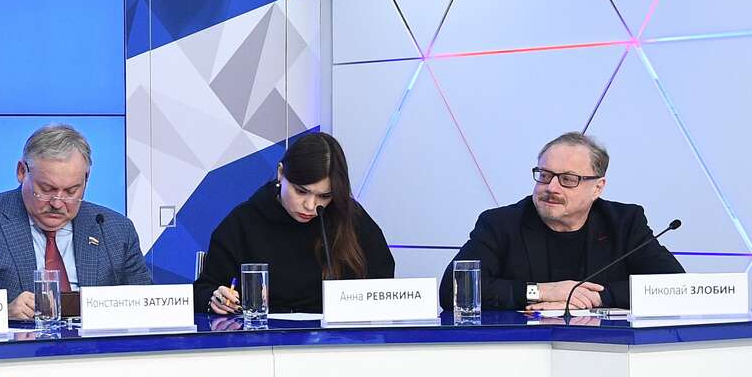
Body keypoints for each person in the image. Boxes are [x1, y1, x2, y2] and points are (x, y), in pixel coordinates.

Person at [0, 123, 148, 318]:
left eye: (71, 191)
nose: (57, 202)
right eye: (46, 189)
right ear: (22, 172)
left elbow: (146, 308)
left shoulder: (115, 230)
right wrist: (2, 313)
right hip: (13, 352)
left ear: (86, 178)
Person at [442, 132, 683, 312]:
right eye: (545, 175)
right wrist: (542, 291)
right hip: (523, 349)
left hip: (605, 350)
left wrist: (597, 298)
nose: (551, 187)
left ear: (598, 187)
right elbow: (453, 291)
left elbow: (674, 286)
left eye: (568, 179)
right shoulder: (500, 223)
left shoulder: (624, 223)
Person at [194, 131, 395, 315]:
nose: (310, 205)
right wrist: (215, 298)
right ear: (281, 174)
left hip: (339, 339)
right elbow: (203, 290)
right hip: (261, 338)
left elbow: (383, 283)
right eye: (301, 191)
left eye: (325, 196)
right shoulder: (243, 222)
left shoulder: (350, 218)